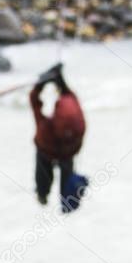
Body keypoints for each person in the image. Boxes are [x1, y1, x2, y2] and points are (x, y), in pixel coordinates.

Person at [30, 63, 88, 213]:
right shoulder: (77, 122)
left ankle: (42, 195)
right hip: (68, 152)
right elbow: (69, 95)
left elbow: (34, 102)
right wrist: (59, 80)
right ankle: (67, 207)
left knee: (43, 174)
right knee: (67, 174)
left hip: (47, 150)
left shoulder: (46, 130)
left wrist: (39, 86)